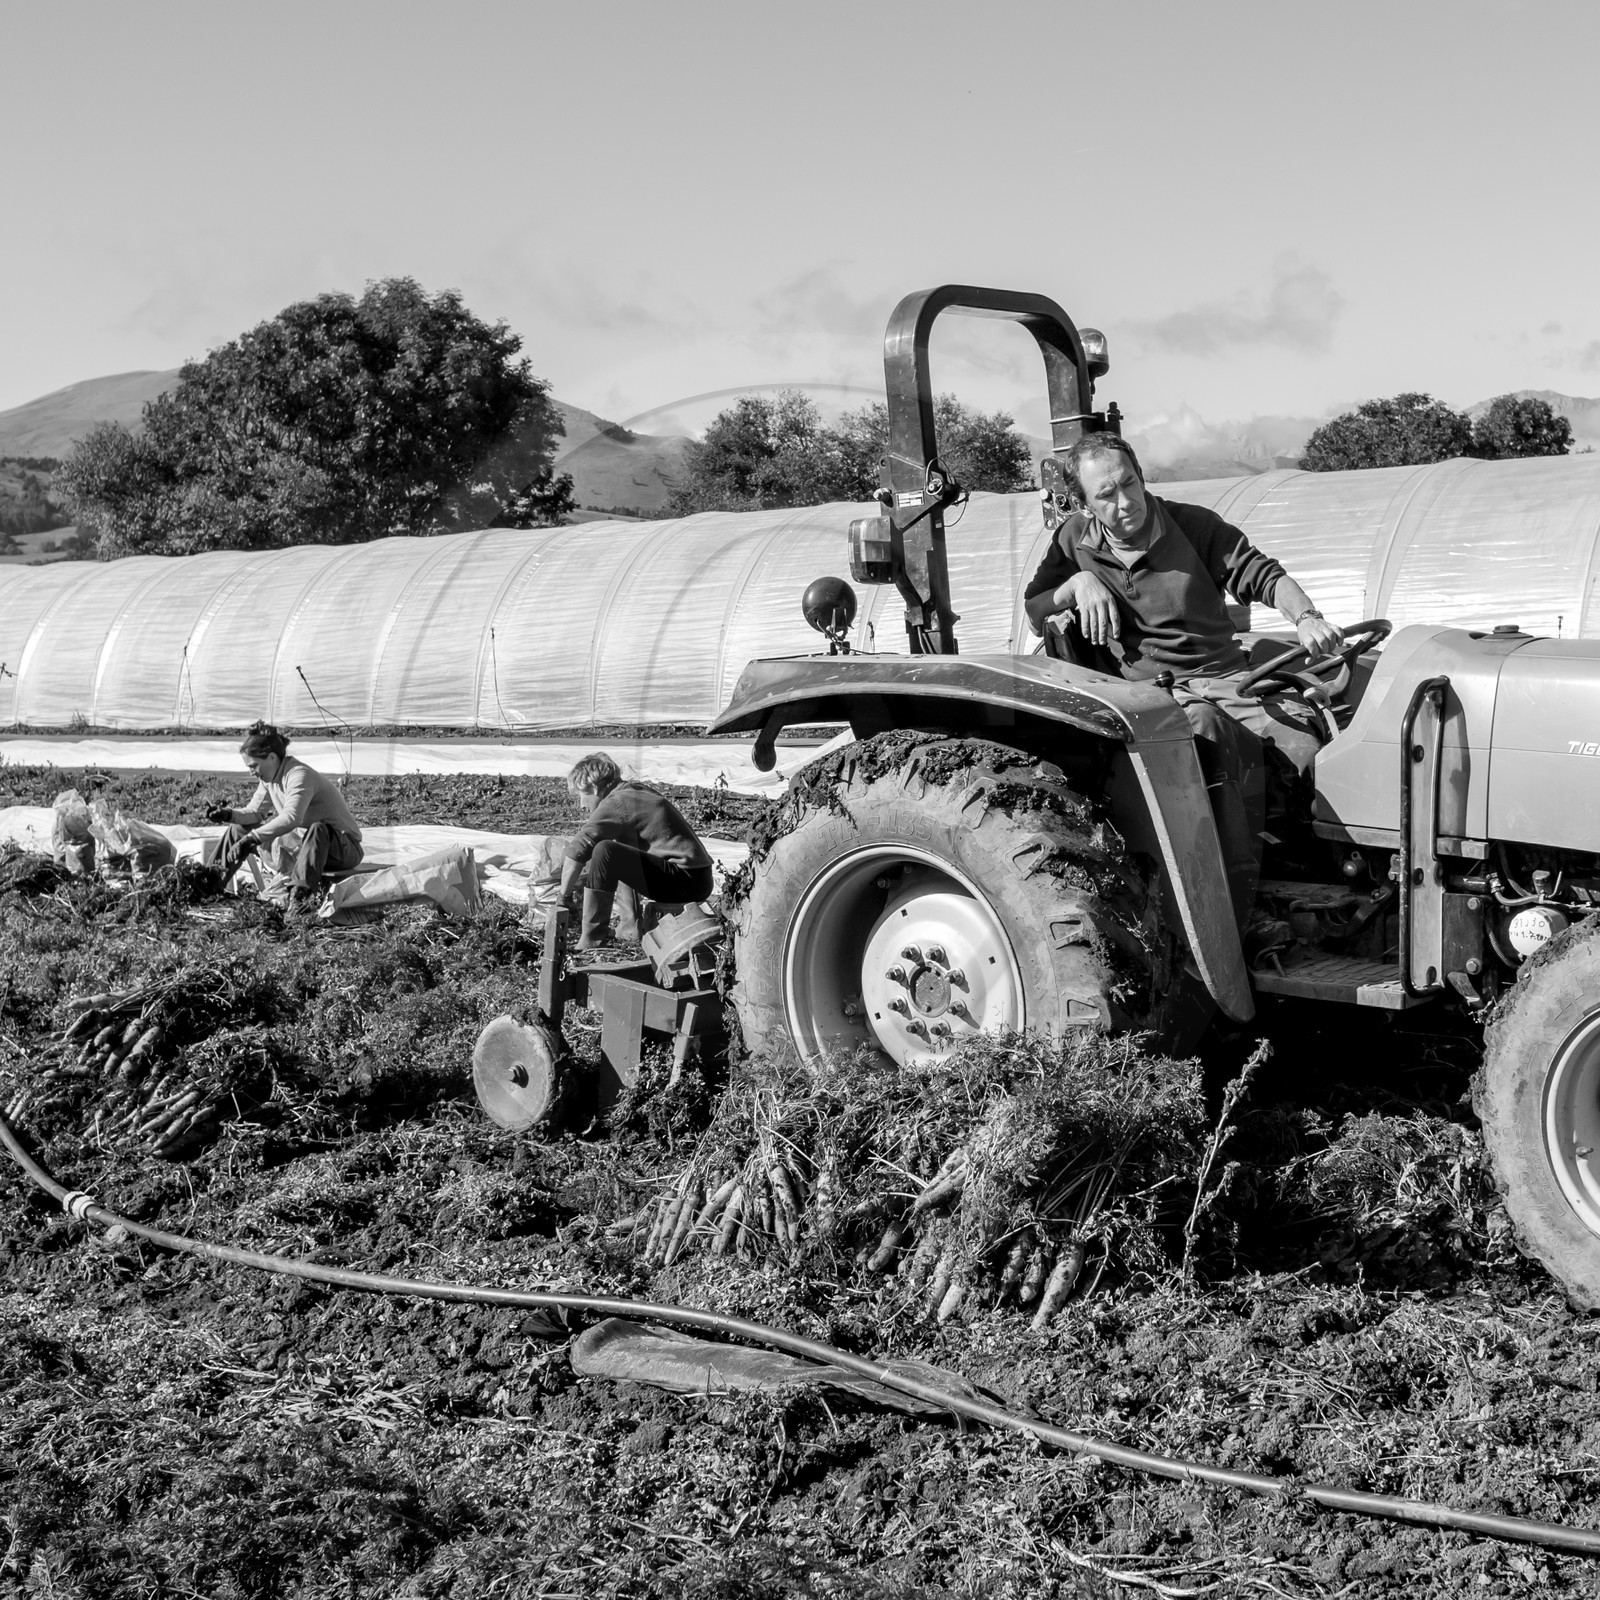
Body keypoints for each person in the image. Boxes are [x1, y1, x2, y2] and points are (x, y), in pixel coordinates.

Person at [1024, 433, 1344, 929]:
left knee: (1305, 746)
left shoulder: (1193, 527)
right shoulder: (1072, 542)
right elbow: (1035, 608)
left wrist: (1307, 617)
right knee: (1203, 735)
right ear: (1085, 505)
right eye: (1105, 495)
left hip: (1224, 678)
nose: (1124, 502)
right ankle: (1234, 910)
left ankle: (1324, 882)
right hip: (1144, 696)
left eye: (1128, 484)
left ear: (1141, 476)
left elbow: (1264, 575)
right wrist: (1075, 584)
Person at [558, 752, 715, 950]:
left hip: (684, 881)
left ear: (596, 788)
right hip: (698, 879)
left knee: (605, 850)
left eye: (583, 794)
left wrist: (563, 897)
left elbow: (578, 850)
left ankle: (591, 939)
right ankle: (629, 929)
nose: (581, 804)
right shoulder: (635, 791)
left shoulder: (616, 802)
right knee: (622, 849)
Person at [208, 722, 363, 905]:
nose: (251, 772)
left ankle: (299, 899)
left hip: (341, 849)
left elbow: (292, 817)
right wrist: (228, 815)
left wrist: (253, 839)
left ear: (272, 757)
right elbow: (255, 813)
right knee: (239, 829)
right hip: (306, 847)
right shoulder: (269, 779)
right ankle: (209, 884)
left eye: (254, 766)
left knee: (319, 829)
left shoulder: (299, 775)